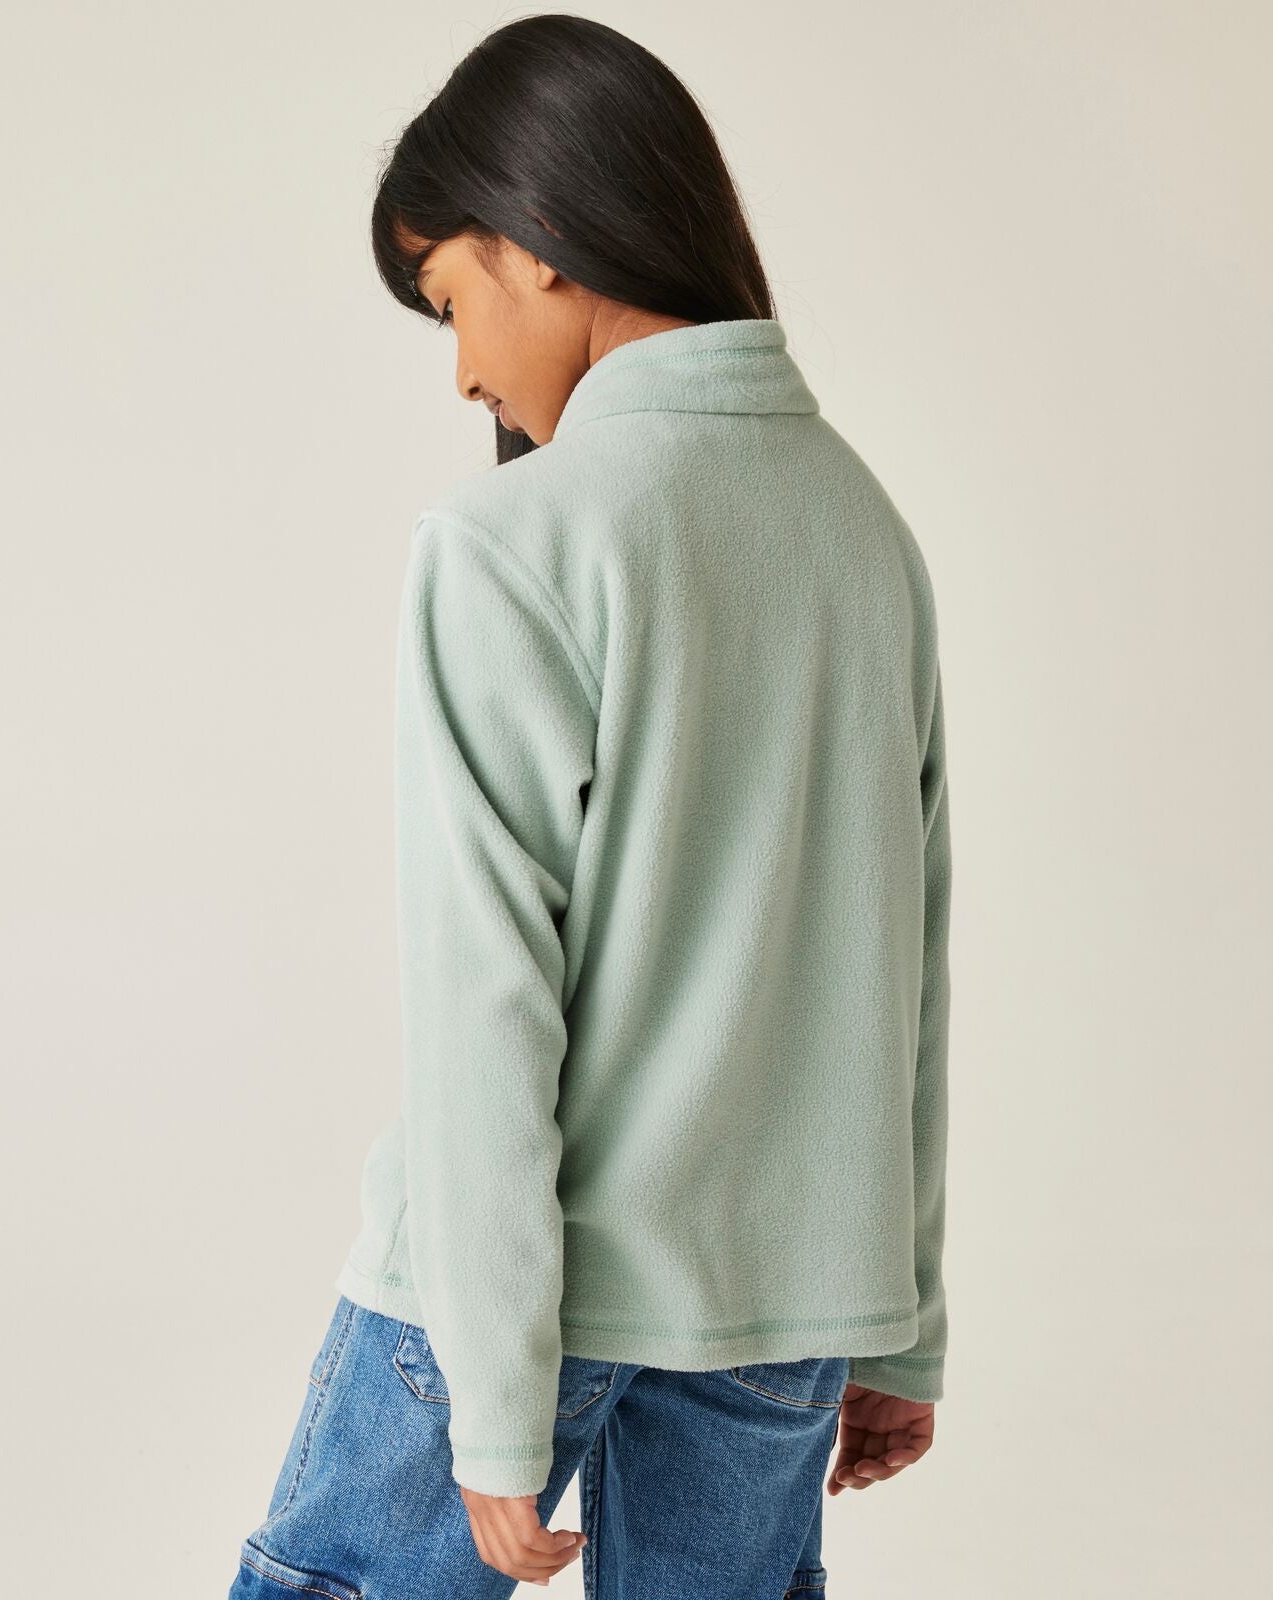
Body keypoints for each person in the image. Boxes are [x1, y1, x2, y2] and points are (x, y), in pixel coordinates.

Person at [229, 15, 952, 1599]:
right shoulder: (864, 529)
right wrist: (899, 1322)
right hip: (784, 1301)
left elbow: (487, 998)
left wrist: (495, 1401)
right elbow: (905, 962)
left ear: (539, 238)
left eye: (449, 302)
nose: (466, 372)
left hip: (515, 1300)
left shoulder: (515, 542)